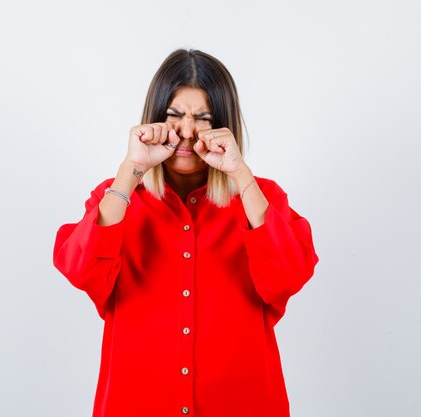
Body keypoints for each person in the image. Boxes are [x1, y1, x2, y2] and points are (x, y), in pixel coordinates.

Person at [53, 48, 319, 417]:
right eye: (174, 116)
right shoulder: (117, 198)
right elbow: (81, 270)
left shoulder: (260, 198)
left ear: (224, 125)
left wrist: (240, 175)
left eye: (204, 119)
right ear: (154, 119)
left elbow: (288, 276)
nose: (187, 131)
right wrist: (131, 170)